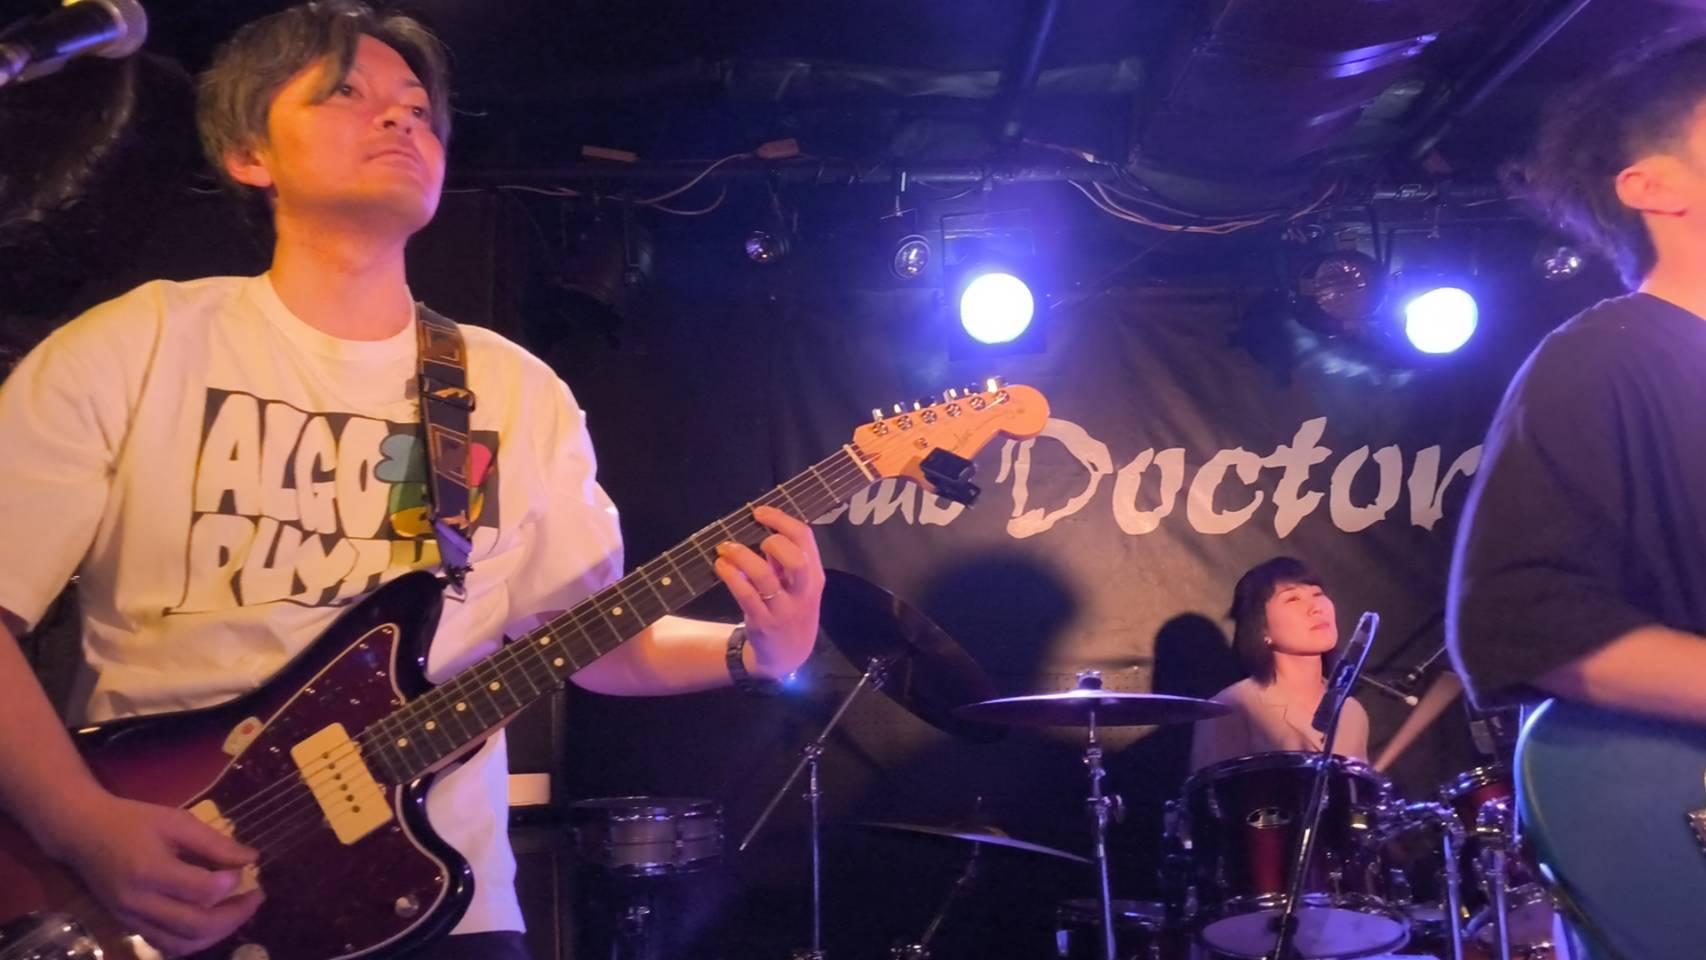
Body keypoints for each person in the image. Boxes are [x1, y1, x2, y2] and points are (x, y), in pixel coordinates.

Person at [0, 4, 826, 959]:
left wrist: (758, 651)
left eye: (419, 107)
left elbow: (587, 640)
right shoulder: (137, 344)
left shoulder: (512, 390)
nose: (400, 116)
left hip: (434, 910)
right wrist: (79, 824)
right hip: (150, 888)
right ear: (248, 154)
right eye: (346, 92)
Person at [1189, 556, 1369, 773]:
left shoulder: (1351, 712)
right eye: (1293, 599)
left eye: (1317, 594)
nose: (1316, 608)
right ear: (1261, 629)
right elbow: (1212, 791)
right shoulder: (1233, 707)